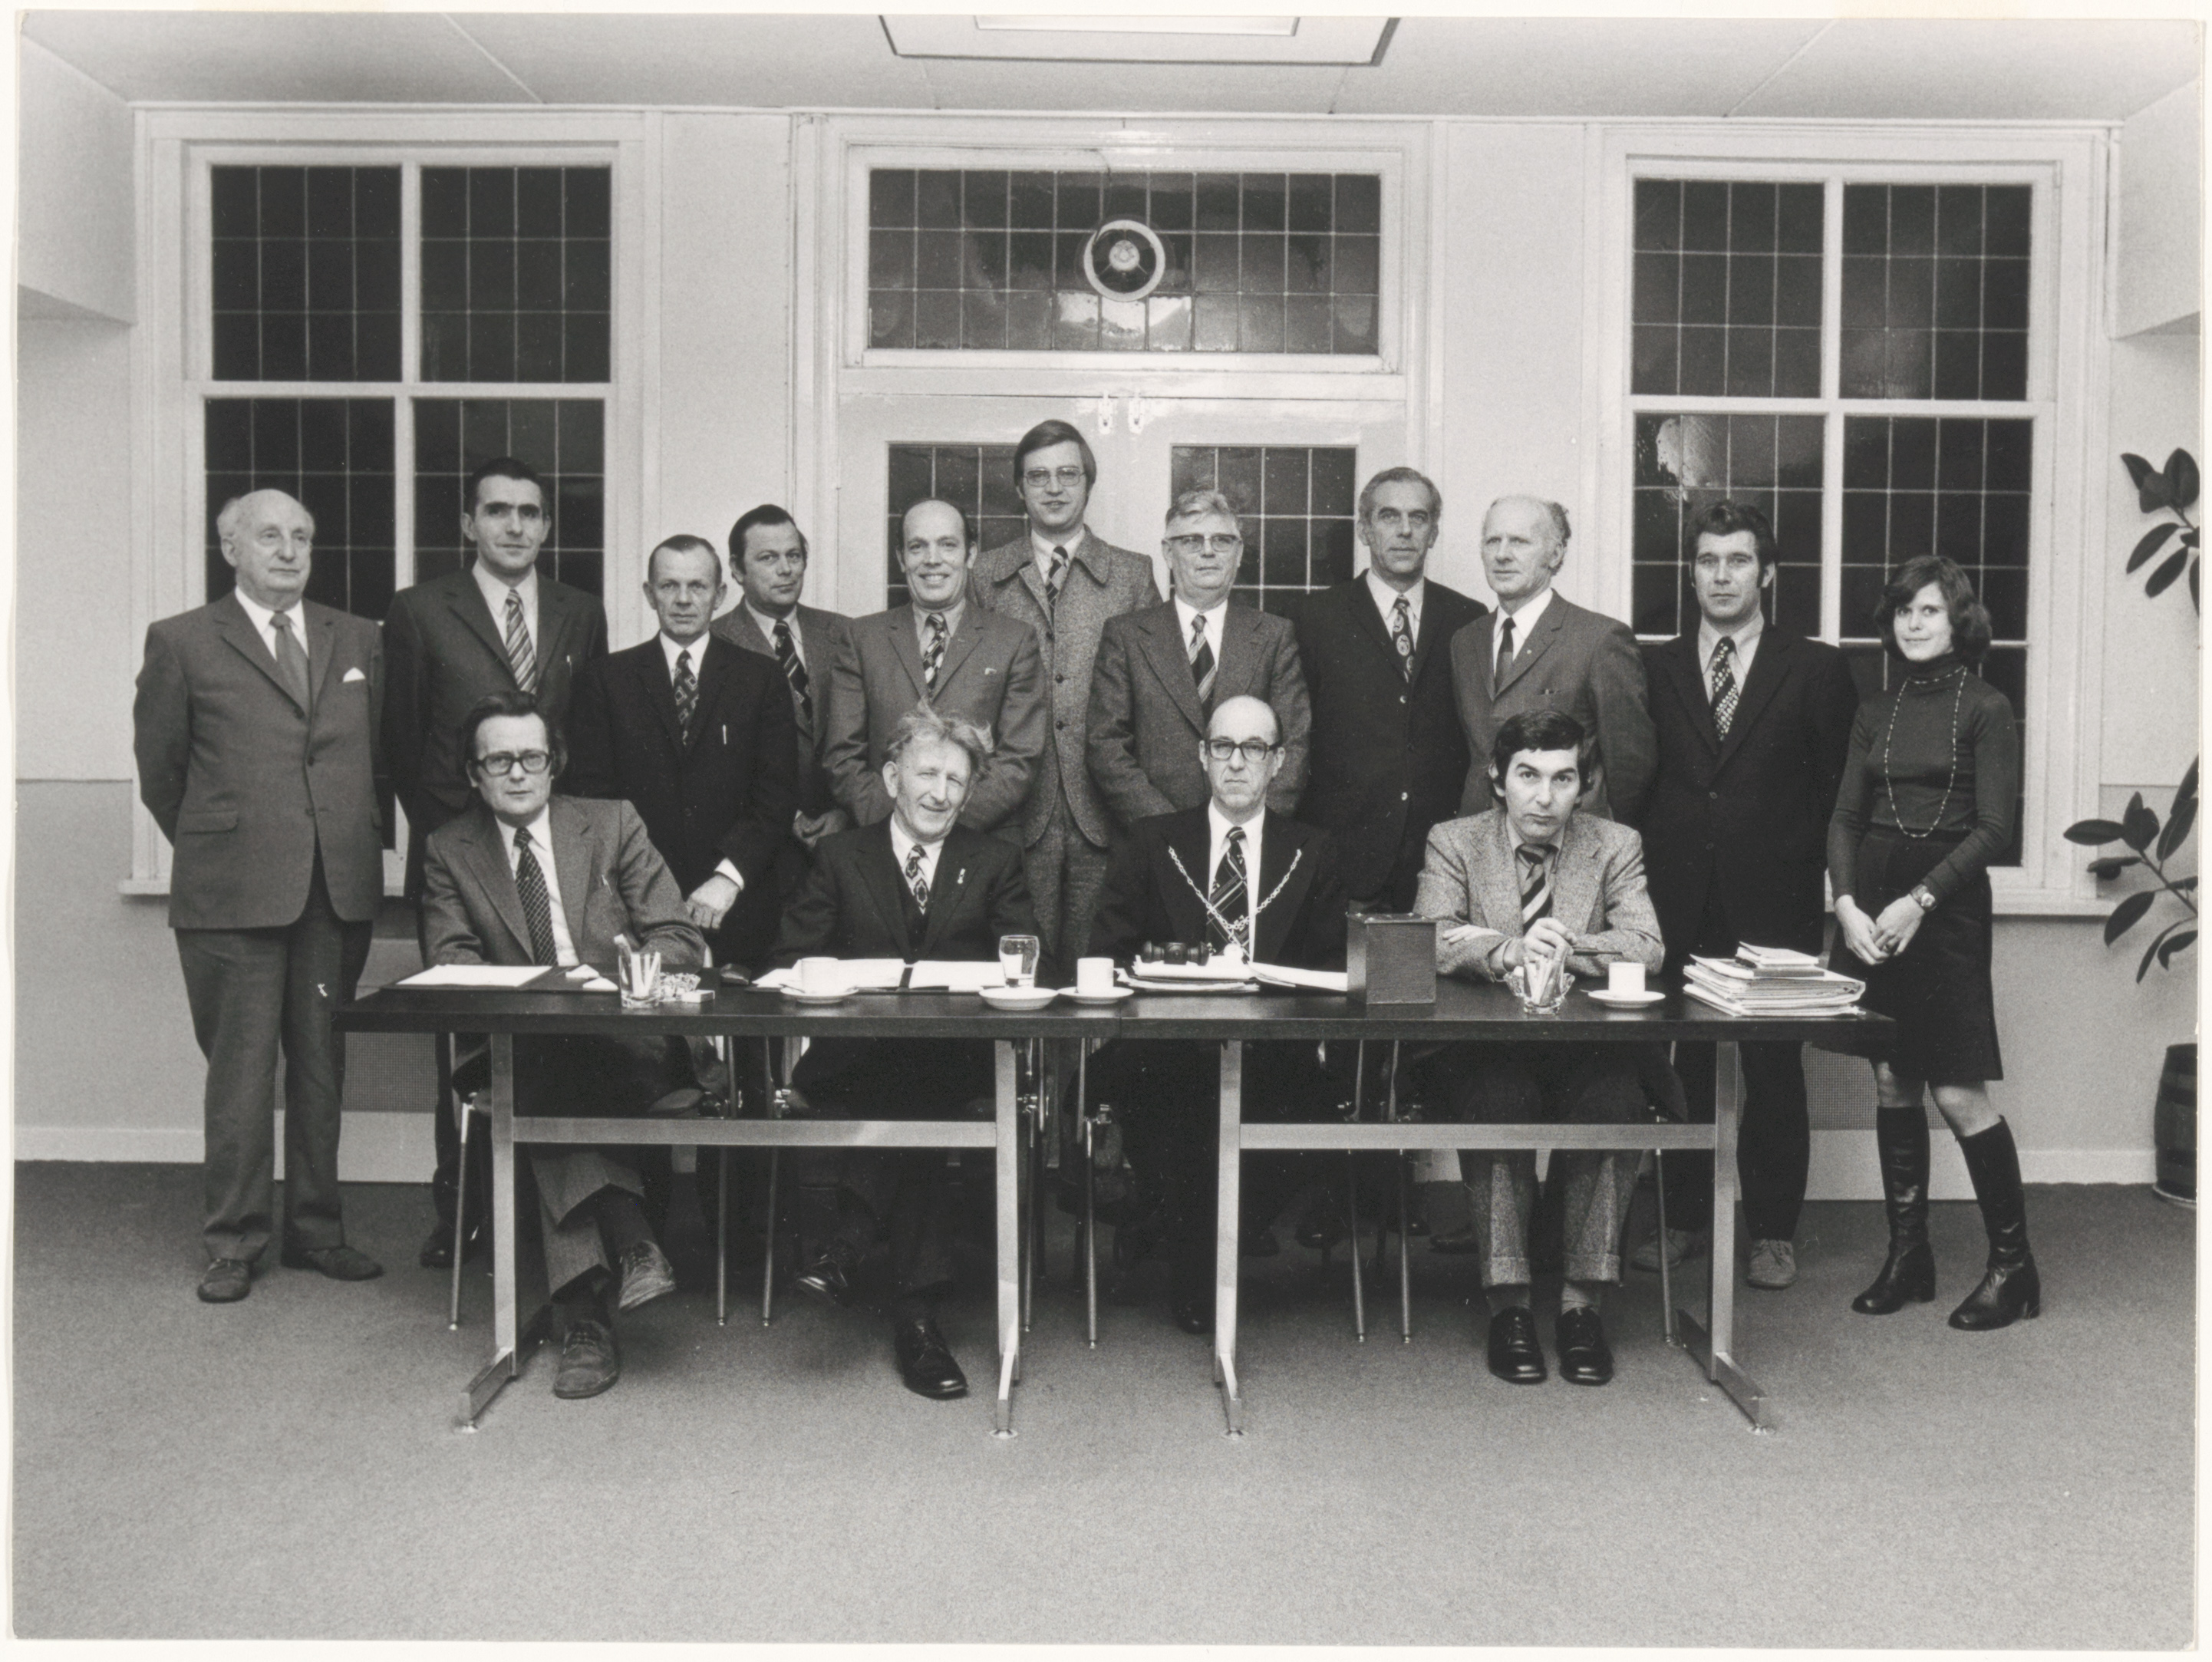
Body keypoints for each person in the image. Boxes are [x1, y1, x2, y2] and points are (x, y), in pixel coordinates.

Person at [134, 489, 387, 1303]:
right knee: (241, 1073)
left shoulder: (360, 637)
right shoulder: (182, 640)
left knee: (320, 1068)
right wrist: (229, 842)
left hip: (333, 888)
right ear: (230, 548)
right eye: (270, 536)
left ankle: (317, 1232)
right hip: (231, 891)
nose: (289, 550)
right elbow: (162, 773)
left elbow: (379, 754)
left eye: (302, 537)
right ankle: (233, 1243)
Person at [420, 692, 704, 1400]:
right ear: (474, 774)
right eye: (499, 761)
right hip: (521, 1044)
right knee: (542, 1064)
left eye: (532, 757)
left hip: (625, 1041)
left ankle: (585, 1322)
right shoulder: (449, 849)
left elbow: (680, 937)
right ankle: (627, 1245)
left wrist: (619, 975)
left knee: (551, 1075)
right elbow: (451, 961)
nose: (518, 773)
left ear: (555, 764)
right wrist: (538, 993)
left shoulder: (612, 823)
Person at [773, 707, 1040, 1400]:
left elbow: (1024, 964)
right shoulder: (841, 857)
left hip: (956, 1060)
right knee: (911, 1102)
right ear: (892, 778)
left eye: (955, 781)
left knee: (918, 1088)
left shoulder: (995, 862)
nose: (939, 793)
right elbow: (790, 959)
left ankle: (850, 1247)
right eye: (927, 774)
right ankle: (916, 1319)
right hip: (853, 1059)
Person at [385, 456, 608, 1271]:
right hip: (464, 858)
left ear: (546, 525)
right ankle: (465, 1209)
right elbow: (402, 743)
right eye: (498, 510)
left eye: (529, 512)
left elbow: (586, 739)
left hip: (557, 859)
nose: (515, 525)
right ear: (469, 523)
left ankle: (568, 1212)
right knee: (466, 1036)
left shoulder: (581, 611)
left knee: (568, 1032)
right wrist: (464, 842)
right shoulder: (420, 610)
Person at [1636, 500, 1860, 1291]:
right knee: (1683, 1064)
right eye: (1707, 561)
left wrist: (1834, 895)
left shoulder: (1815, 668)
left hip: (1775, 899)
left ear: (1766, 573)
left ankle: (1771, 1232)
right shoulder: (1656, 666)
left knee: (1771, 1070)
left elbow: (1839, 797)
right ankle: (1683, 1219)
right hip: (1677, 897)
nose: (1721, 576)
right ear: (1691, 572)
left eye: (1737, 561)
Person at [1411, 711, 1670, 1387]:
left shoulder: (1614, 844)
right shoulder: (1454, 841)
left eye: (1562, 779)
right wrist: (1507, 951)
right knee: (1498, 1100)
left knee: (1615, 1100)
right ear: (1498, 779)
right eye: (1527, 776)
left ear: (1583, 786)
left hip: (1584, 1046)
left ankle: (1583, 1305)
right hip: (1487, 1048)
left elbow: (1646, 945)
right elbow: (1430, 935)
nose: (1544, 797)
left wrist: (1560, 943)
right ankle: (1510, 1305)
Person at [1084, 695, 1350, 1334]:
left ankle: (1172, 1235)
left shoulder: (1312, 850)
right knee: (1173, 1108)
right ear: (1202, 756)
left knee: (1311, 1112)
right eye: (1223, 747)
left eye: (1253, 748)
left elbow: (1332, 973)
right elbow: (1105, 954)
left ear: (1277, 762)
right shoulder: (1152, 841)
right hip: (1166, 1048)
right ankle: (1197, 1270)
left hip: (1272, 1055)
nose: (1236, 762)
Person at [1829, 555, 2034, 1331]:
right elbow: (1845, 817)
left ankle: (2013, 1269)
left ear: (1959, 621)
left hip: (1942, 910)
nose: (1913, 624)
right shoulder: (1874, 709)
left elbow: (1995, 829)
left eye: (1929, 611)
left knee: (1955, 1091)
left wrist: (1917, 902)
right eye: (1903, 611)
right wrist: (1846, 905)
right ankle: (1908, 1258)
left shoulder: (1986, 706)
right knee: (1892, 1080)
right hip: (1872, 905)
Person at [973, 420, 1161, 963]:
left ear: (1088, 483)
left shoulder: (1131, 575)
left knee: (1097, 970)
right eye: (1038, 477)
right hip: (1013, 814)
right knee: (1015, 968)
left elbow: (1150, 699)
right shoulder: (986, 574)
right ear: (1019, 488)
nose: (1053, 489)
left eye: (1067, 475)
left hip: (1103, 813)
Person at [565, 533, 799, 971]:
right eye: (669, 586)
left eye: (698, 586)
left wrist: (728, 878)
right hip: (637, 909)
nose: (684, 599)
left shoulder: (761, 678)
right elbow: (594, 802)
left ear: (720, 594)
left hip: (737, 905)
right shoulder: (607, 680)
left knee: (741, 1015)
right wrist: (643, 893)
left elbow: (777, 796)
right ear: (649, 594)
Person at [1294, 467, 1488, 913]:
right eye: (1388, 516)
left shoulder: (1469, 618)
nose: (1404, 531)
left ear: (1433, 532)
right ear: (1364, 529)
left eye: (1418, 518)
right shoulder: (1314, 618)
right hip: (1343, 857)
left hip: (1440, 858)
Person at [822, 499, 1048, 840]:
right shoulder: (861, 638)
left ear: (971, 554)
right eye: (917, 547)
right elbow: (842, 758)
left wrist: (941, 825)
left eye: (947, 545)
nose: (932, 559)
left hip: (980, 846)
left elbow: (1019, 761)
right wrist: (900, 828)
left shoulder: (1014, 641)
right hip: (882, 845)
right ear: (901, 558)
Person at [1087, 490, 1311, 831]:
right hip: (1155, 840)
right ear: (1168, 552)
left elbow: (1293, 747)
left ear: (1238, 553)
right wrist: (1171, 831)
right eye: (1192, 540)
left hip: (1248, 839)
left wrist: (1250, 830)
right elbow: (1106, 746)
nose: (1208, 551)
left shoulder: (1274, 636)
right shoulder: (1126, 635)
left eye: (1221, 540)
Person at [1448, 496, 1656, 826]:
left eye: (1519, 541)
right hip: (1477, 839)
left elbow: (1630, 767)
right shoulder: (1465, 641)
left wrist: (1600, 841)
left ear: (1555, 554)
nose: (1502, 554)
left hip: (1568, 838)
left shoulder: (1600, 639)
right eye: (1492, 541)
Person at [710, 504, 855, 930]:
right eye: (768, 558)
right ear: (737, 569)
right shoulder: (713, 642)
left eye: (794, 556)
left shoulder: (845, 633)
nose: (786, 569)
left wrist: (844, 811)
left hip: (842, 840)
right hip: (757, 856)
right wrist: (786, 817)